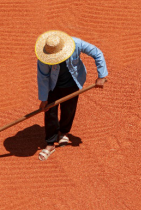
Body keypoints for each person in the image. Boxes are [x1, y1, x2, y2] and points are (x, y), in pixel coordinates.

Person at [35, 30, 108, 161]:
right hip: (53, 85)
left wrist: (101, 75)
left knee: (69, 109)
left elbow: (97, 53)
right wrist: (44, 98)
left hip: (72, 83)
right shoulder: (43, 57)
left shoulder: (76, 43)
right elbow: (43, 77)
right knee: (50, 112)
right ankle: (50, 144)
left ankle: (64, 132)